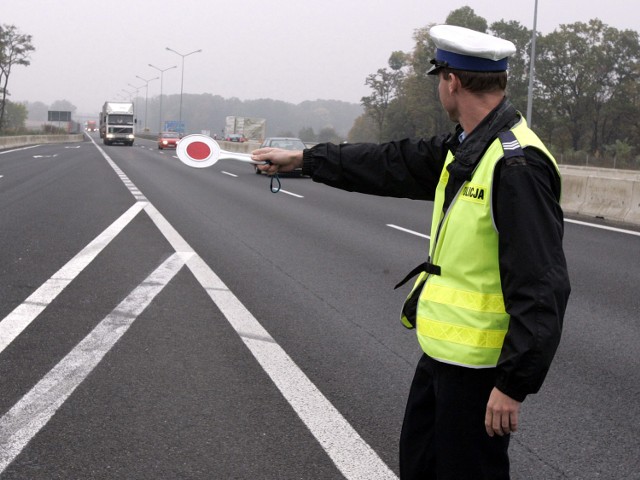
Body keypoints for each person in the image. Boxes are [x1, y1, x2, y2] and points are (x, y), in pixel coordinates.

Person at [252, 24, 571, 480]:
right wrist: (304, 159)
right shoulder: (466, 148)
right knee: (420, 466)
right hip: (442, 357)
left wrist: (512, 384)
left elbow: (543, 284)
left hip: (480, 373)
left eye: (439, 77)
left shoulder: (515, 163)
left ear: (452, 82)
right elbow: (389, 162)